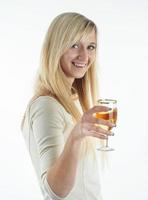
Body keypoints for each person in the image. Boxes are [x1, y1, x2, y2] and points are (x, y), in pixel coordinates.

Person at [21, 12, 115, 200]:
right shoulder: (46, 106)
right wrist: (76, 136)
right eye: (74, 45)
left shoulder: (69, 102)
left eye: (91, 47)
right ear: (56, 48)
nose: (84, 56)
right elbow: (55, 190)